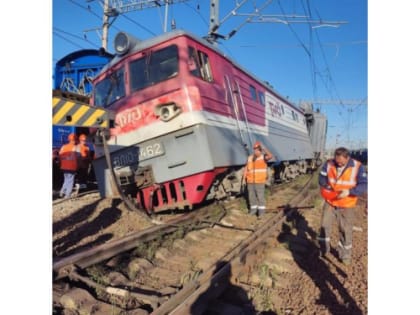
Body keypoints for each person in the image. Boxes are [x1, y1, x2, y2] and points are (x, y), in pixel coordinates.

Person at [317, 147, 367, 265]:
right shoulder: (329, 164)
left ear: (347, 158)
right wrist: (326, 186)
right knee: (324, 226)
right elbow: (322, 178)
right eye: (337, 161)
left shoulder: (358, 166)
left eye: (341, 162)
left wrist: (349, 192)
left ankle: (345, 255)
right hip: (330, 201)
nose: (338, 164)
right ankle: (323, 249)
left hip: (346, 203)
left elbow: (364, 185)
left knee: (345, 229)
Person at [243, 141, 273, 217]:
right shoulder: (250, 158)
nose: (256, 151)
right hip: (250, 181)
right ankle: (253, 211)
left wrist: (264, 148)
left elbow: (270, 156)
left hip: (259, 181)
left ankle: (261, 213)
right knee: (251, 197)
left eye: (257, 149)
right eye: (255, 149)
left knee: (260, 197)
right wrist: (244, 179)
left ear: (260, 150)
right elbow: (246, 168)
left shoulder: (263, 157)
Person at [58, 133, 80, 198]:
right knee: (70, 181)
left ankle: (62, 192)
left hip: (64, 167)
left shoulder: (63, 147)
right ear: (75, 140)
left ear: (68, 139)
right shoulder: (76, 148)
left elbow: (60, 155)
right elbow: (79, 157)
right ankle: (67, 195)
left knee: (66, 180)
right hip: (72, 167)